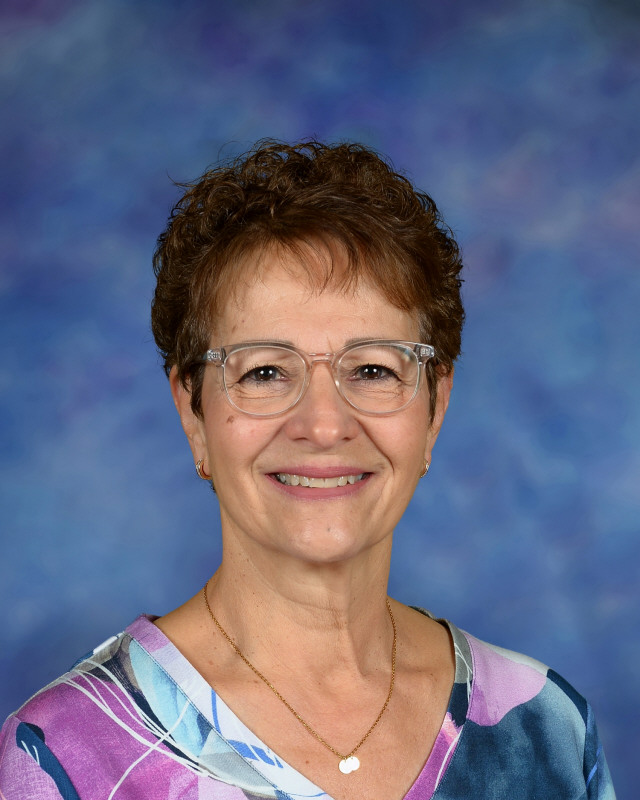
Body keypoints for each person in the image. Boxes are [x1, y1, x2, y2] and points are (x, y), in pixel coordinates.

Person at [0, 141, 615, 800]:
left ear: (435, 407)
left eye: (373, 369)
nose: (323, 425)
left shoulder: (547, 731)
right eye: (264, 371)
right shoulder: (65, 756)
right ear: (192, 410)